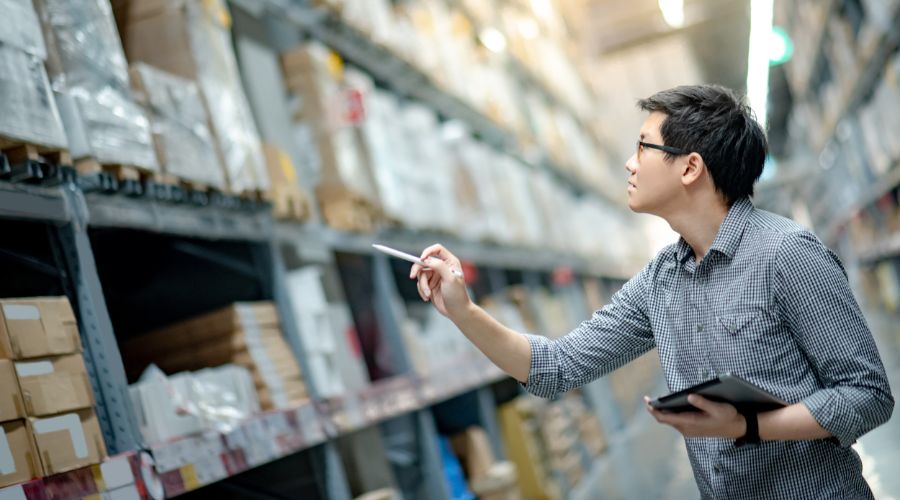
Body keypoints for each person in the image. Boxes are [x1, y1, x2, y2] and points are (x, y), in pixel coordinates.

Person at [408, 84, 894, 499]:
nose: (629, 163)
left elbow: (868, 394)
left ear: (690, 168)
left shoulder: (787, 254)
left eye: (643, 147)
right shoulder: (662, 279)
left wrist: (748, 426)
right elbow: (556, 368)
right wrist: (464, 311)